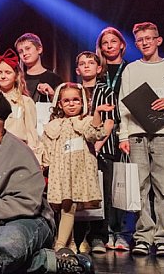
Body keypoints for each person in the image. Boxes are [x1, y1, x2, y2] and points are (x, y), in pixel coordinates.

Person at [0, 87, 92, 273]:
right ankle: (47, 262)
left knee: (8, 245)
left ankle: (42, 261)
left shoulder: (20, 153)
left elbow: (29, 203)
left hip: (29, 220)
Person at [117, 22, 164, 257]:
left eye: (149, 38)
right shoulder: (131, 69)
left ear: (158, 40)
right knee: (140, 187)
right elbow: (122, 104)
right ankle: (143, 236)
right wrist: (123, 135)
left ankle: (163, 238)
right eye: (140, 39)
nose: (144, 42)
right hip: (136, 134)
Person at [41, 83, 112, 253]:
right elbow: (47, 147)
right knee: (63, 206)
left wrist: (96, 113)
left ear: (82, 102)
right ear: (60, 103)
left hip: (79, 171)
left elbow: (96, 134)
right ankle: (70, 243)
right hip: (61, 172)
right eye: (66, 100)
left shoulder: (85, 122)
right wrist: (46, 165)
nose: (71, 104)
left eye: (75, 100)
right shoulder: (55, 124)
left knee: (69, 207)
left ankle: (59, 244)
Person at [72, 51, 117, 254]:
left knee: (101, 193)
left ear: (99, 69)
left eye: (91, 63)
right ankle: (80, 238)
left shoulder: (106, 91)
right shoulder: (73, 91)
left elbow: (110, 121)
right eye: (82, 63)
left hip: (103, 149)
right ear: (77, 70)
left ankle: (99, 236)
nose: (87, 66)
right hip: (78, 151)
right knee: (80, 194)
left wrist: (97, 145)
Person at [93, 27, 130, 251]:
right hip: (101, 135)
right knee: (104, 186)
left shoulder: (131, 69)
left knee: (123, 184)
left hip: (124, 130)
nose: (109, 46)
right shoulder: (97, 70)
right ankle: (102, 232)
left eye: (113, 41)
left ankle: (122, 233)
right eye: (104, 42)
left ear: (122, 45)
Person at [0, 49, 41, 161]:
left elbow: (31, 132)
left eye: (8, 72)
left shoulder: (25, 102)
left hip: (18, 153)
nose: (3, 76)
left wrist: (35, 157)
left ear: (16, 75)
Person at [15, 33, 62, 102]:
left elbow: (62, 105)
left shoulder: (54, 79)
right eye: (20, 51)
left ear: (39, 49)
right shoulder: (18, 78)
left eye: (28, 48)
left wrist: (52, 94)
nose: (24, 53)